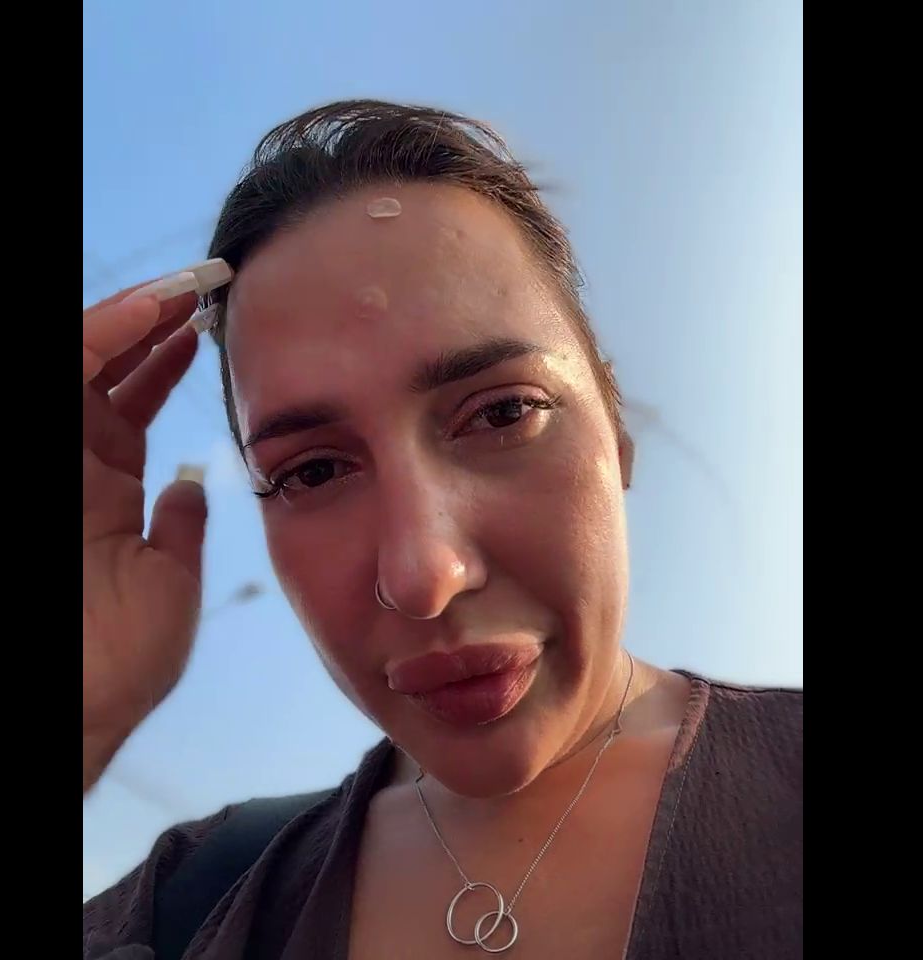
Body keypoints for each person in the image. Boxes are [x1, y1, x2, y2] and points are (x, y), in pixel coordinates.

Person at [83, 100, 802, 960]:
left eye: (502, 412)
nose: (425, 575)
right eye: (312, 471)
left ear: (613, 430)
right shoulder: (191, 907)